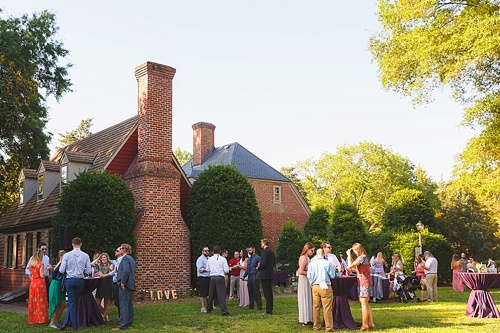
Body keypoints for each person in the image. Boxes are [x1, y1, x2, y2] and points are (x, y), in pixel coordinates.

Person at [59, 237, 92, 330]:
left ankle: (73, 325)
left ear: (72, 244)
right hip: (80, 280)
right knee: (74, 302)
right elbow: (89, 271)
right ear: (81, 244)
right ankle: (67, 323)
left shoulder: (67, 255)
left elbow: (61, 270)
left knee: (72, 302)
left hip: (70, 279)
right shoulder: (85, 255)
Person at [307, 248, 336, 332]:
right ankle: (329, 327)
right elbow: (332, 276)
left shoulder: (312, 264)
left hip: (315, 286)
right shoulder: (327, 263)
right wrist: (333, 269)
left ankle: (316, 326)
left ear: (316, 254)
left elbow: (309, 276)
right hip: (325, 286)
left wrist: (311, 285)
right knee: (327, 307)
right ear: (324, 254)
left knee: (316, 307)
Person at [347, 243, 374, 331]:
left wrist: (348, 256)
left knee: (363, 303)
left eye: (354, 251)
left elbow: (351, 265)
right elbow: (361, 269)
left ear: (358, 249)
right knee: (366, 303)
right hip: (366, 282)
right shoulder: (365, 257)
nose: (354, 253)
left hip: (364, 283)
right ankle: (370, 323)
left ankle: (365, 324)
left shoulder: (361, 257)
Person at [113, 243, 136, 331]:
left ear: (124, 250)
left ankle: (122, 325)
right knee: (129, 304)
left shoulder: (125, 259)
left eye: (121, 249)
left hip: (125, 284)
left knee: (123, 305)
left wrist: (122, 282)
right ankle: (129, 322)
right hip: (130, 284)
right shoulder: (131, 259)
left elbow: (126, 271)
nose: (120, 250)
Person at [206, 245, 231, 316]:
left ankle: (209, 308)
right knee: (221, 294)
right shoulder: (223, 259)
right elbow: (226, 270)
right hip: (220, 277)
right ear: (220, 251)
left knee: (211, 294)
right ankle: (224, 310)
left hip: (212, 277)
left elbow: (207, 269)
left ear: (213, 251)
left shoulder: (209, 259)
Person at [28, 249, 50, 325]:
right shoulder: (40, 264)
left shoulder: (31, 264)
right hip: (39, 283)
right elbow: (42, 275)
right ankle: (41, 318)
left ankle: (33, 318)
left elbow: (30, 273)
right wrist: (47, 269)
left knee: (33, 301)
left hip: (33, 283)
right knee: (41, 300)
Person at [48, 250, 66, 329]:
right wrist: (61, 261)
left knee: (62, 304)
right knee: (55, 303)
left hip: (61, 284)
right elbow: (54, 274)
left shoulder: (65, 264)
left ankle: (56, 320)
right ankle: (52, 322)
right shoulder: (59, 264)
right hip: (56, 284)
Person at [298, 242, 314, 327]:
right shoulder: (303, 258)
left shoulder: (307, 258)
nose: (312, 252)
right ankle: (304, 319)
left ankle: (309, 318)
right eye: (312, 250)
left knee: (308, 297)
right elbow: (301, 271)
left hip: (307, 279)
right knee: (304, 297)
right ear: (307, 249)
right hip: (304, 280)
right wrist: (310, 273)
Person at [258, 238, 275, 316]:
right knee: (269, 292)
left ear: (264, 244)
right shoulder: (271, 252)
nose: (261, 244)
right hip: (270, 273)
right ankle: (270, 308)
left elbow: (263, 263)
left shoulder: (265, 252)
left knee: (266, 293)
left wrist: (259, 267)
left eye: (261, 243)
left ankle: (268, 310)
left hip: (265, 275)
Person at [96, 253, 115, 322]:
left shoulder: (111, 265)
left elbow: (110, 274)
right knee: (97, 303)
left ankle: (104, 318)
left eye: (104, 257)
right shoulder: (99, 266)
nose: (103, 259)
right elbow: (92, 264)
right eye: (102, 258)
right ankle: (105, 315)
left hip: (108, 284)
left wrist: (103, 275)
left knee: (107, 302)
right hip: (100, 285)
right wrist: (97, 259)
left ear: (107, 258)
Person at [243, 246, 262, 310]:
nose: (249, 252)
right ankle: (251, 305)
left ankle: (259, 305)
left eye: (250, 250)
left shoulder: (257, 258)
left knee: (256, 291)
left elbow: (259, 268)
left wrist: (257, 277)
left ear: (253, 250)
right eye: (248, 251)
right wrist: (244, 275)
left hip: (255, 275)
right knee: (250, 291)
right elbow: (248, 268)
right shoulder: (249, 259)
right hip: (250, 276)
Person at [196, 246, 210, 313]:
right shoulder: (200, 259)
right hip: (203, 277)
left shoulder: (209, 258)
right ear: (202, 251)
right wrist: (207, 269)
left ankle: (208, 306)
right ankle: (203, 307)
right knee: (203, 293)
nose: (207, 252)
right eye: (205, 251)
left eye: (208, 251)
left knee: (208, 293)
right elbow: (200, 269)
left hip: (208, 277)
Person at [110, 246, 123, 318]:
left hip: (119, 283)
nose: (115, 252)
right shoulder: (117, 261)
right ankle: (121, 317)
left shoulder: (121, 261)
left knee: (119, 301)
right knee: (117, 301)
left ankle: (122, 318)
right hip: (115, 283)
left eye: (117, 251)